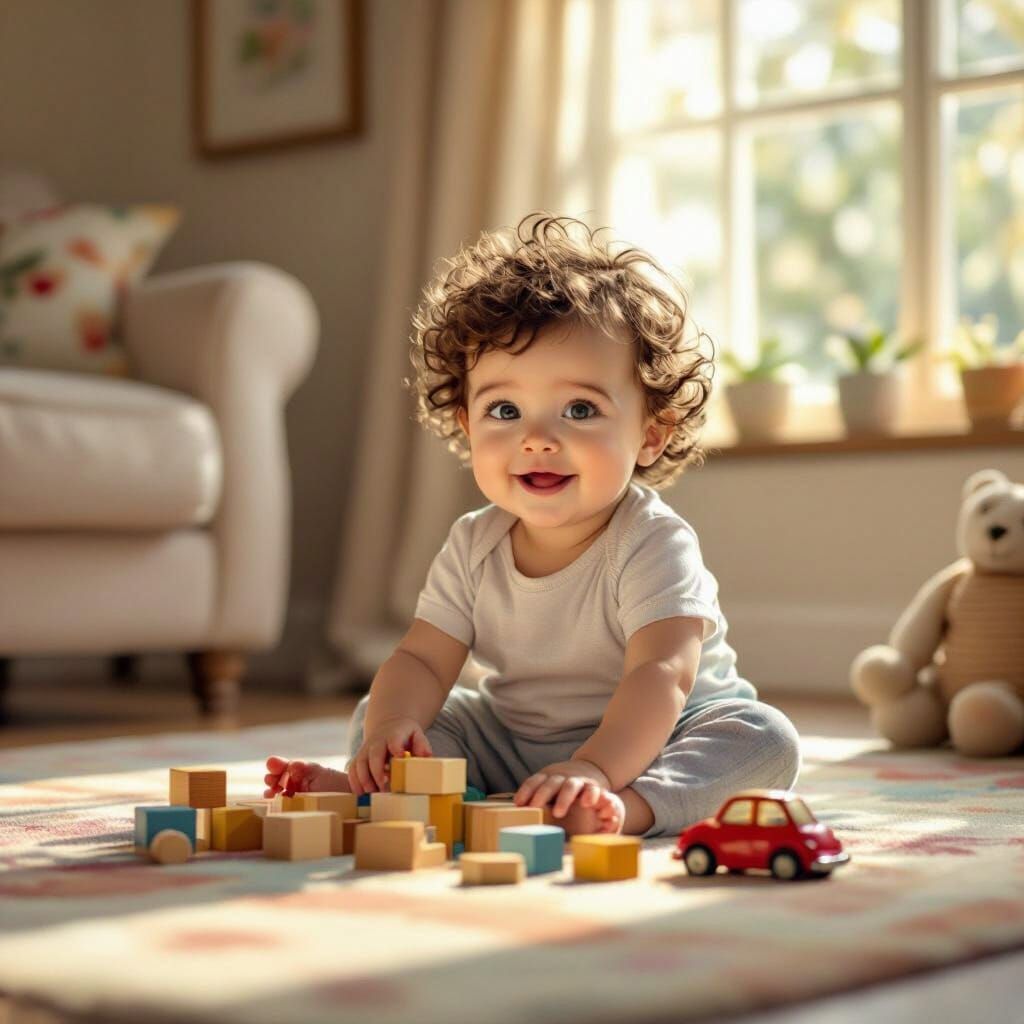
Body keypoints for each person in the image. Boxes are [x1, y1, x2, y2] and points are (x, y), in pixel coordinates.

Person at [265, 213, 800, 839]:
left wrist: (595, 770)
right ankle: (392, 793)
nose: (538, 438)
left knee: (765, 738)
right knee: (388, 712)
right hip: (513, 740)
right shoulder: (473, 543)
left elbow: (662, 675)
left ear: (651, 435)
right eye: (505, 409)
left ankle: (627, 808)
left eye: (580, 409)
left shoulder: (654, 542)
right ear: (468, 425)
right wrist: (391, 730)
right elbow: (423, 661)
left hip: (658, 737)